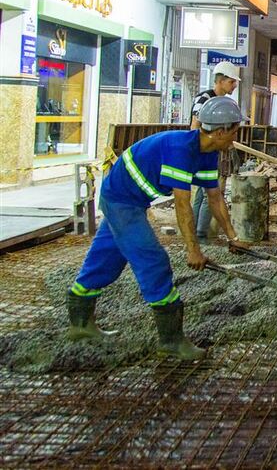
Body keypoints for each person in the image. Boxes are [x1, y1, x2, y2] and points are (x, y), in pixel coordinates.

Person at [67, 96, 247, 361]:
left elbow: (215, 198)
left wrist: (234, 237)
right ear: (219, 131)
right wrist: (193, 250)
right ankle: (171, 341)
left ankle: (80, 324)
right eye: (233, 131)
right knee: (153, 259)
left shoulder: (208, 154)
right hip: (120, 199)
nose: (234, 137)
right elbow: (183, 205)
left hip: (130, 200)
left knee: (106, 260)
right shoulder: (181, 149)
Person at [189, 60, 241, 244]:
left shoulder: (224, 102)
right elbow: (195, 125)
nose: (234, 85)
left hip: (215, 151)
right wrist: (197, 152)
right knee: (209, 193)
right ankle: (200, 234)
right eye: (231, 82)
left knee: (202, 194)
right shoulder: (204, 99)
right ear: (220, 80)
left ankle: (195, 231)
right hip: (206, 151)